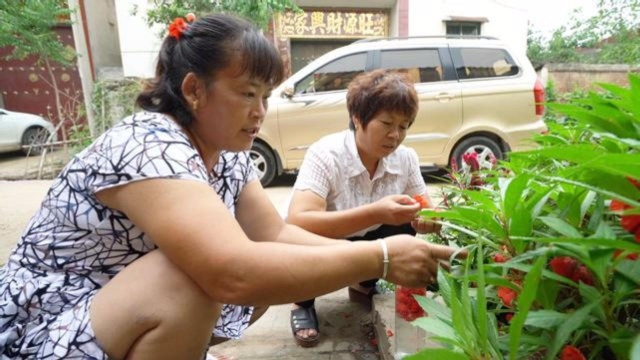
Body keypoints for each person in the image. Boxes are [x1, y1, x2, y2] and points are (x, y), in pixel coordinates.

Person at [0, 14, 455, 360]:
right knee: (189, 279)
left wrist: (379, 259)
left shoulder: (229, 155)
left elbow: (274, 235)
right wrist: (380, 255)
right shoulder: (148, 142)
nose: (260, 111)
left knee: (259, 268)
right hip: (47, 319)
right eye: (247, 93)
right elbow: (231, 273)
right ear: (195, 90)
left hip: (109, 304)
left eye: (267, 96)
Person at [287, 69, 441, 347]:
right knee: (301, 242)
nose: (395, 135)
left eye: (404, 126)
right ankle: (302, 302)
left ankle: (363, 285)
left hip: (370, 239)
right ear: (358, 119)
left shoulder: (405, 159)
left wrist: (428, 219)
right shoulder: (326, 154)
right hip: (327, 241)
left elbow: (425, 207)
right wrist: (376, 212)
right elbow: (298, 221)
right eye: (386, 123)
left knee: (404, 226)